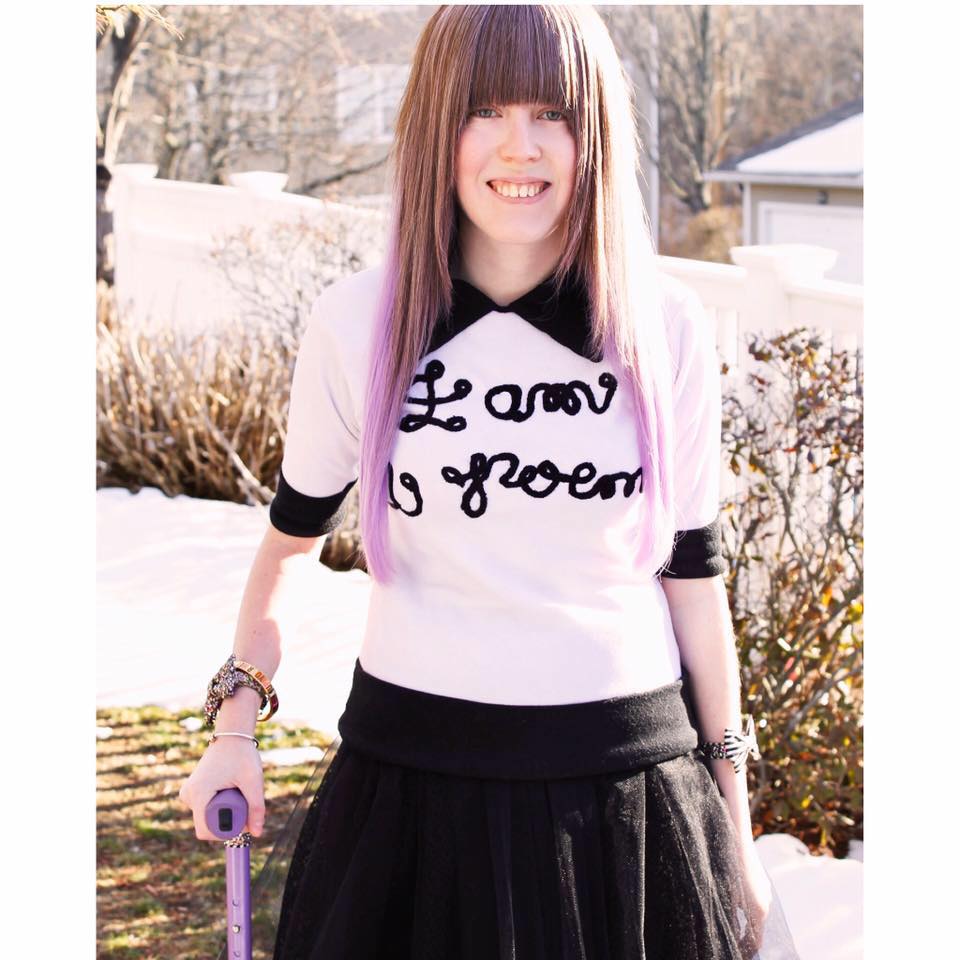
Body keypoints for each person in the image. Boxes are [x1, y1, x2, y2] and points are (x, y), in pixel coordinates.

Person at [178, 6, 802, 959]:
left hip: (628, 809)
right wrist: (235, 728)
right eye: (487, 110)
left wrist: (736, 824)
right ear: (438, 125)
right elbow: (292, 543)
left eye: (554, 112)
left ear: (594, 130)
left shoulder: (663, 324)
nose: (523, 146)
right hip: (409, 802)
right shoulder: (359, 325)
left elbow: (695, 577)